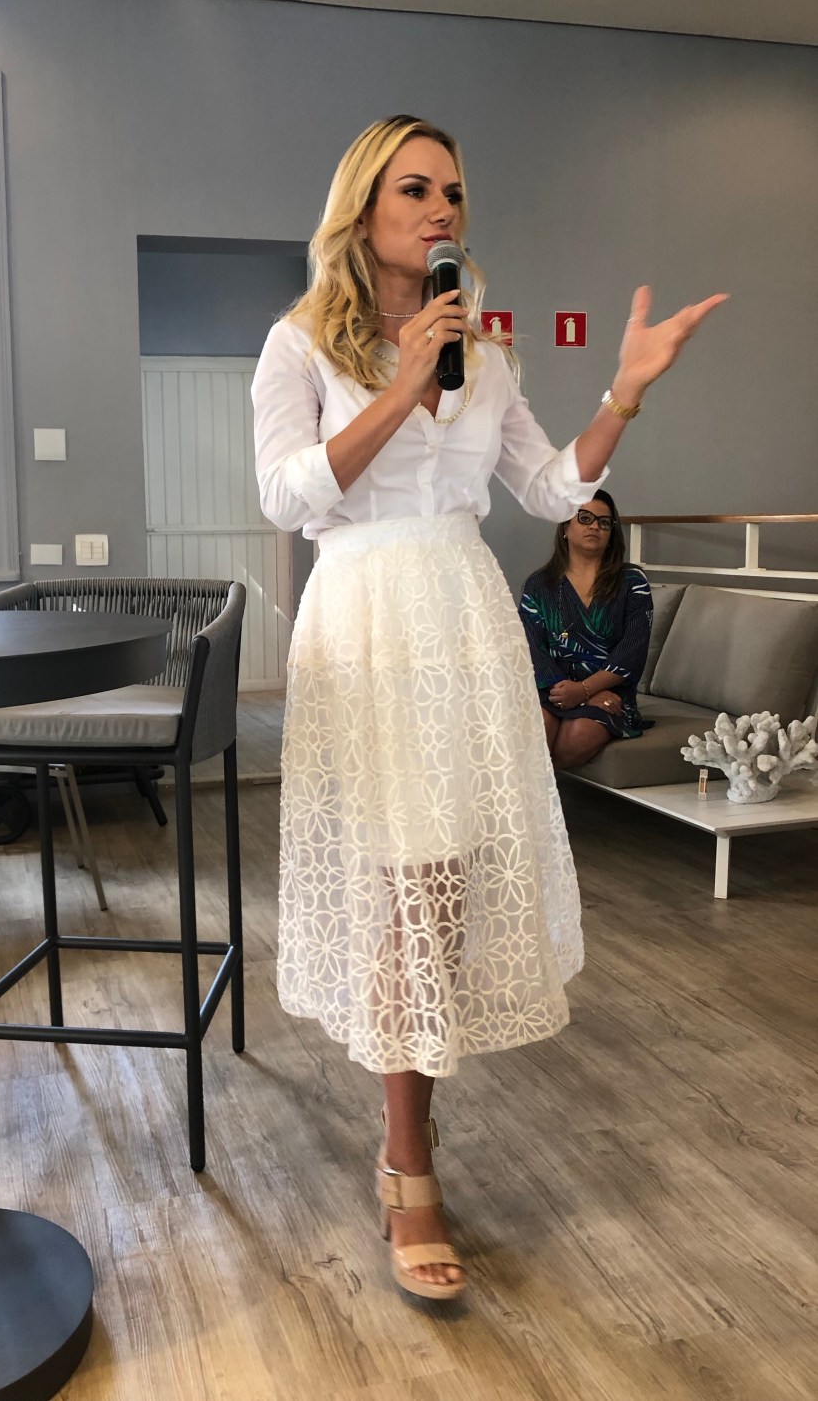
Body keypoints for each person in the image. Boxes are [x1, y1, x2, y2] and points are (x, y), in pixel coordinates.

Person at [251, 114, 725, 1302]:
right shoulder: (298, 343)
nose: (440, 209)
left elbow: (551, 488)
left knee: (445, 886)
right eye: (414, 189)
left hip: (461, 622)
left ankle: (403, 1129)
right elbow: (287, 496)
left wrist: (622, 394)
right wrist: (403, 382)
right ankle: (407, 1161)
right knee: (404, 885)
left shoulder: (489, 353)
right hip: (364, 622)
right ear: (363, 207)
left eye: (452, 192)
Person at [519, 490, 654, 771]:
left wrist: (584, 690)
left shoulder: (632, 582)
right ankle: (531, 799)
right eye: (584, 518)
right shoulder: (539, 585)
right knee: (536, 728)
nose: (594, 526)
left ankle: (546, 797)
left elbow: (632, 650)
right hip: (551, 689)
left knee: (576, 737)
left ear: (611, 534)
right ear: (565, 527)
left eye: (604, 522)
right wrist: (566, 691)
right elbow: (531, 648)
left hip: (608, 691)